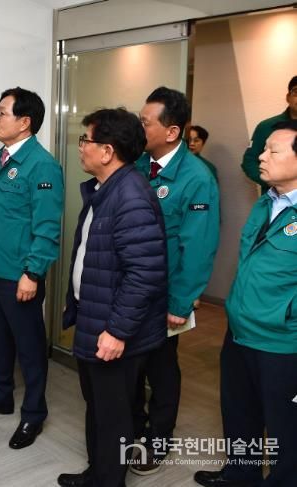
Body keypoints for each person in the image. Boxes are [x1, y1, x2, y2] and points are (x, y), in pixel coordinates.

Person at [56, 108, 168, 487]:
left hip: (114, 328)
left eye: (85, 140)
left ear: (107, 151)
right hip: (96, 316)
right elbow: (94, 255)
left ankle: (108, 480)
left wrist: (118, 331)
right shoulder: (105, 189)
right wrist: (76, 301)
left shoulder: (130, 195)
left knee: (113, 413)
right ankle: (98, 473)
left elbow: (144, 274)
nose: (80, 147)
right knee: (99, 407)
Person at [194, 120, 297, 487]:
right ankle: (240, 475)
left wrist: (285, 314)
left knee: (286, 428)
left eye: (272, 151)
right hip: (239, 331)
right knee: (239, 413)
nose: (261, 157)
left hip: (282, 342)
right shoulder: (265, 203)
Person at [0, 87, 63, 450]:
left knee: (30, 346)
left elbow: (48, 226)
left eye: (2, 112)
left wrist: (33, 273)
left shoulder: (42, 165)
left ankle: (34, 414)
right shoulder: (4, 157)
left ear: (24, 122)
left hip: (21, 273)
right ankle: (1, 396)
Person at [130, 86, 220, 475]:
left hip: (163, 294)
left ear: (171, 131)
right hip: (130, 290)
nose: (139, 128)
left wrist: (181, 302)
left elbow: (198, 247)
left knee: (161, 369)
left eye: (145, 122)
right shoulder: (137, 164)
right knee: (131, 366)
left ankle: (158, 439)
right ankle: (133, 430)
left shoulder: (197, 178)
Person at [241, 75, 297, 193]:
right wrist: (270, 181)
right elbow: (249, 161)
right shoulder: (266, 127)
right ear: (288, 97)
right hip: (276, 197)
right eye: (296, 92)